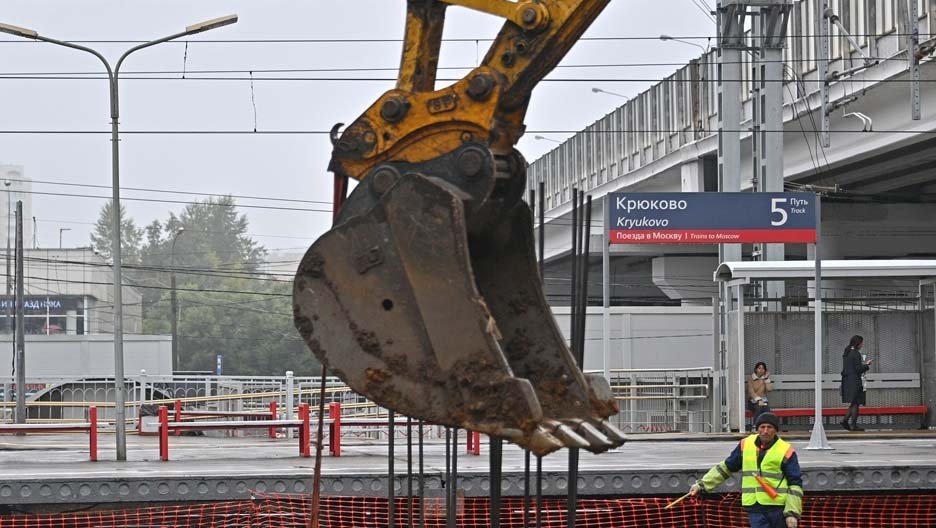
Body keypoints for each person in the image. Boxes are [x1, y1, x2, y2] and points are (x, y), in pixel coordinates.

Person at [688, 412, 803, 528]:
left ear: (776, 430)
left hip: (777, 507)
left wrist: (792, 513)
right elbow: (726, 468)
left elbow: (795, 484)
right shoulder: (746, 444)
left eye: (770, 427)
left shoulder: (785, 450)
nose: (766, 431)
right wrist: (702, 485)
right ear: (757, 429)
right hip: (755, 508)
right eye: (762, 427)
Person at [840, 334, 872, 431]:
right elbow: (858, 369)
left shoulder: (847, 352)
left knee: (854, 402)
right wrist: (867, 365)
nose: (862, 344)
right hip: (855, 382)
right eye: (862, 343)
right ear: (858, 343)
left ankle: (846, 421)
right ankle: (853, 425)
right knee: (856, 403)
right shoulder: (856, 354)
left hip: (847, 381)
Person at [747, 361, 773, 431]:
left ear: (765, 370)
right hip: (753, 401)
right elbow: (751, 392)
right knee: (758, 407)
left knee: (766, 408)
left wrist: (767, 379)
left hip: (763, 400)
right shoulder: (751, 379)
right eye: (759, 368)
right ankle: (755, 425)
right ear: (756, 369)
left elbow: (769, 389)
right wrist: (758, 399)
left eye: (763, 368)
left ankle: (767, 427)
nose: (761, 370)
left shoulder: (765, 379)